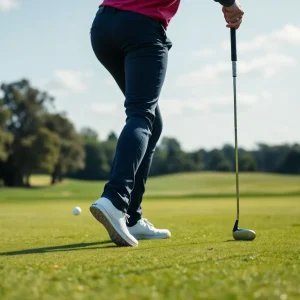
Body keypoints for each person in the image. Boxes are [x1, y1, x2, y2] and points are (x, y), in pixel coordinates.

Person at [89, 0, 244, 247]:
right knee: (141, 115)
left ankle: (131, 217)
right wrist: (230, 4)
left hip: (103, 26)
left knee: (152, 123)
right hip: (141, 26)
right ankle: (115, 200)